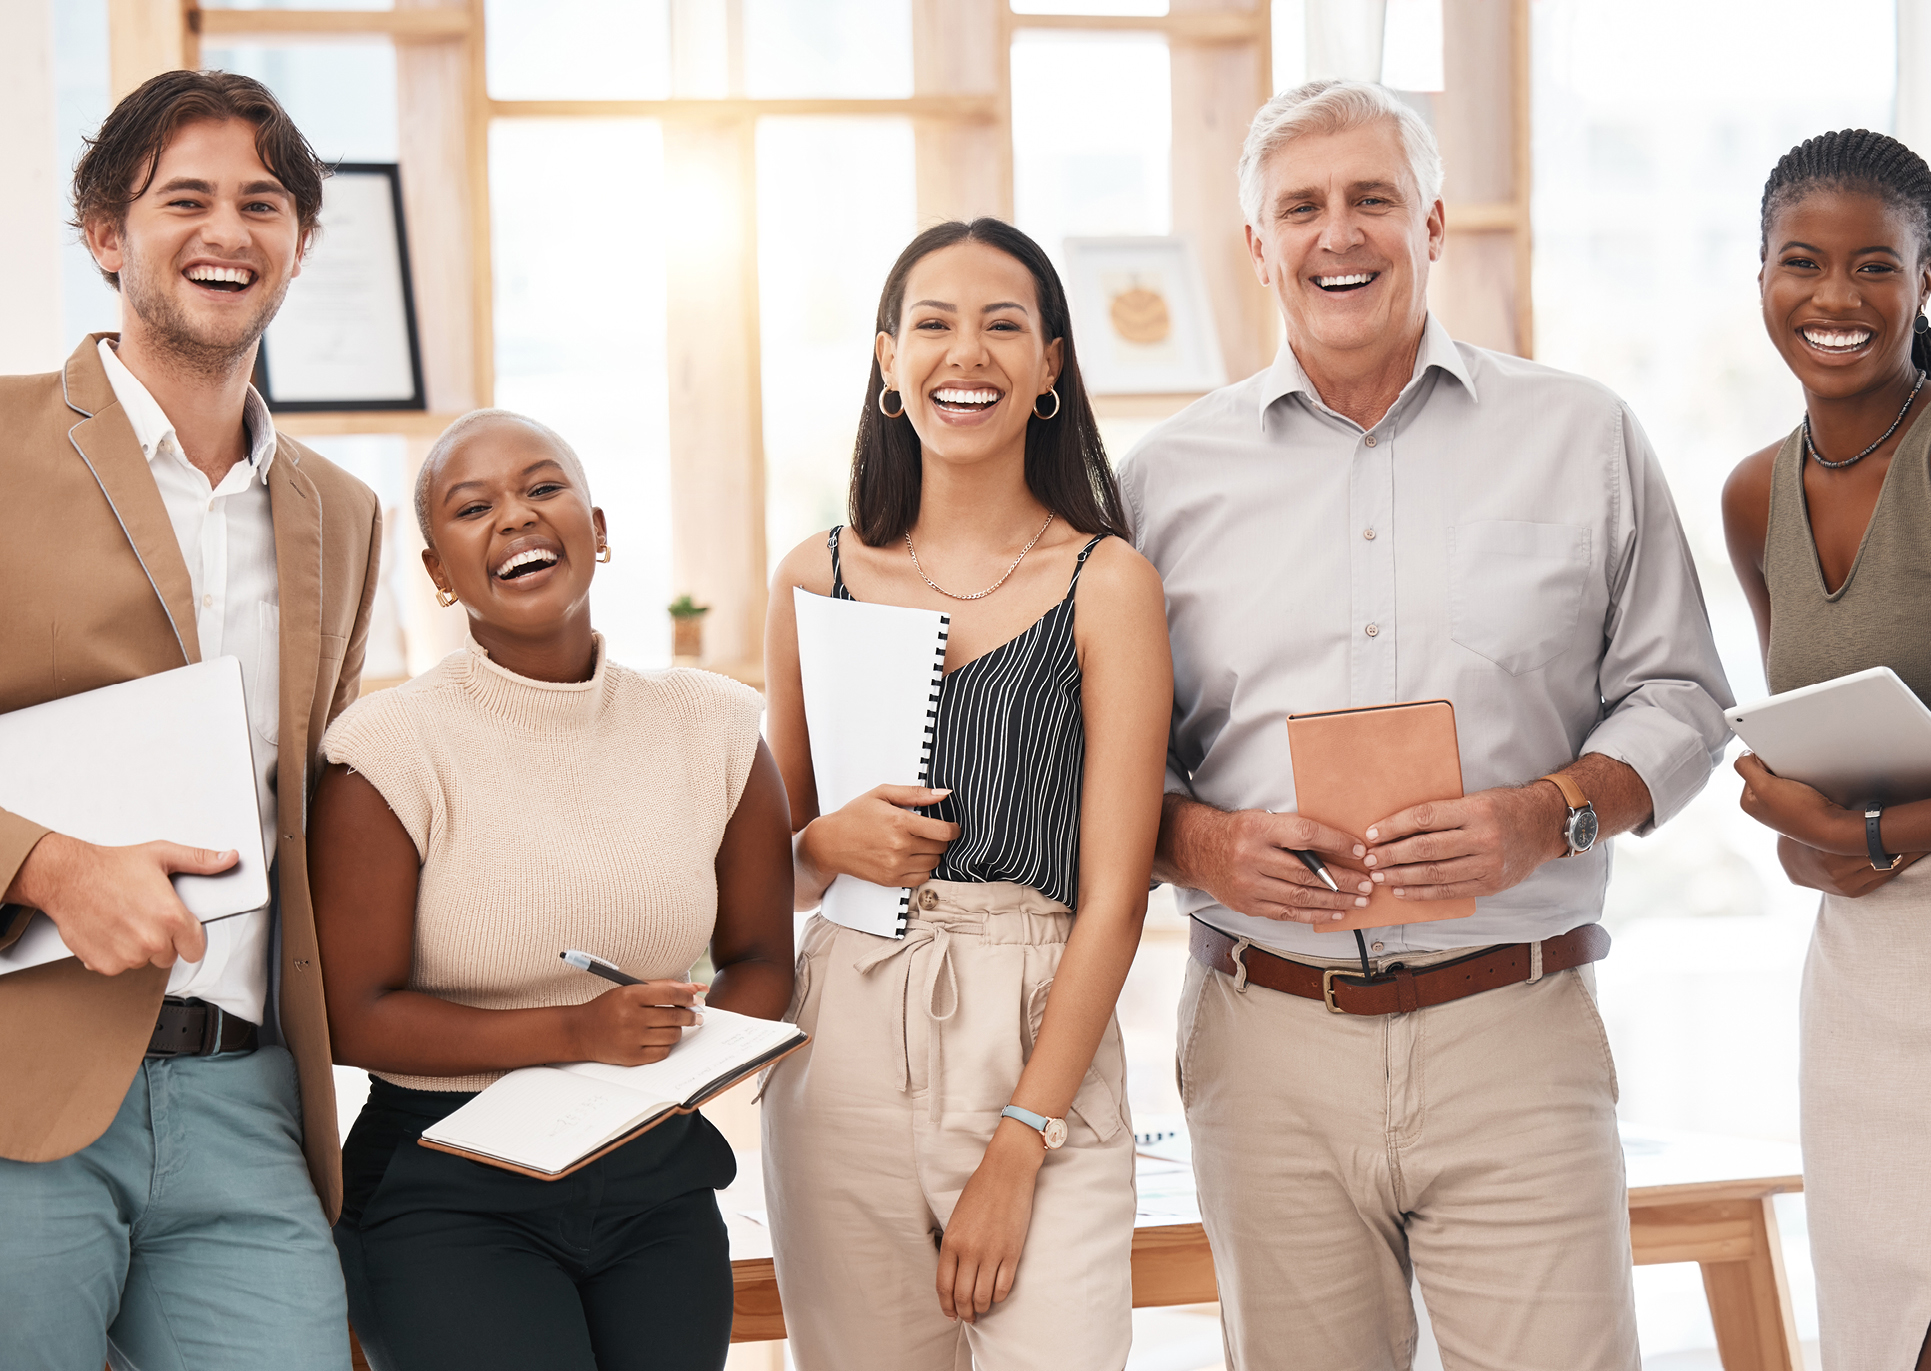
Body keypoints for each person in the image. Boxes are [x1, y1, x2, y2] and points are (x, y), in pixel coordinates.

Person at [1117, 80, 1737, 1370]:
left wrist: (1544, 813)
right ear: (1256, 246)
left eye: (1370, 200)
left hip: (1513, 1032)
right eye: (1301, 208)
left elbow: (1679, 694)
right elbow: (1114, 760)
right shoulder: (1161, 483)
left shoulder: (1580, 436)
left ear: (1432, 222)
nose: (1336, 234)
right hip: (1264, 1041)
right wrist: (1199, 848)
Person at [0, 70, 379, 1371]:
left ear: (299, 245)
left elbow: (317, 788)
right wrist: (46, 865)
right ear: (107, 237)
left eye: (262, 204)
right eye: (186, 199)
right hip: (17, 1088)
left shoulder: (342, 509)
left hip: (249, 1096)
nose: (228, 230)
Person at [759, 218, 1170, 1370]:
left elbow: (1116, 897)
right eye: (932, 325)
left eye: (1003, 326)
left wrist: (1019, 1139)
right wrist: (822, 842)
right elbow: (768, 875)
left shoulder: (1105, 582)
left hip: (1034, 1025)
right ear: (887, 361)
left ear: (1049, 367)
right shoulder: (814, 575)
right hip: (839, 1028)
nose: (965, 354)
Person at [310, 409, 795, 1371]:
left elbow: (761, 960)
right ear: (439, 572)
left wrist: (672, 1075)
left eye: (542, 488)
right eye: (473, 506)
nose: (515, 518)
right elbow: (352, 1015)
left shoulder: (717, 726)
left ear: (599, 529)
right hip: (448, 1186)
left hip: (655, 1174)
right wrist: (575, 1035)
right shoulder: (386, 750)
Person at [1720, 129, 1931, 1371]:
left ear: (1925, 279)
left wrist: (1868, 834)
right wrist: (1809, 843)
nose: (1835, 299)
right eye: (1800, 262)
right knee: (1876, 1342)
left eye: (1874, 267)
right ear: (1757, 275)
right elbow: (1824, 759)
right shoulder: (1752, 494)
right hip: (1863, 975)